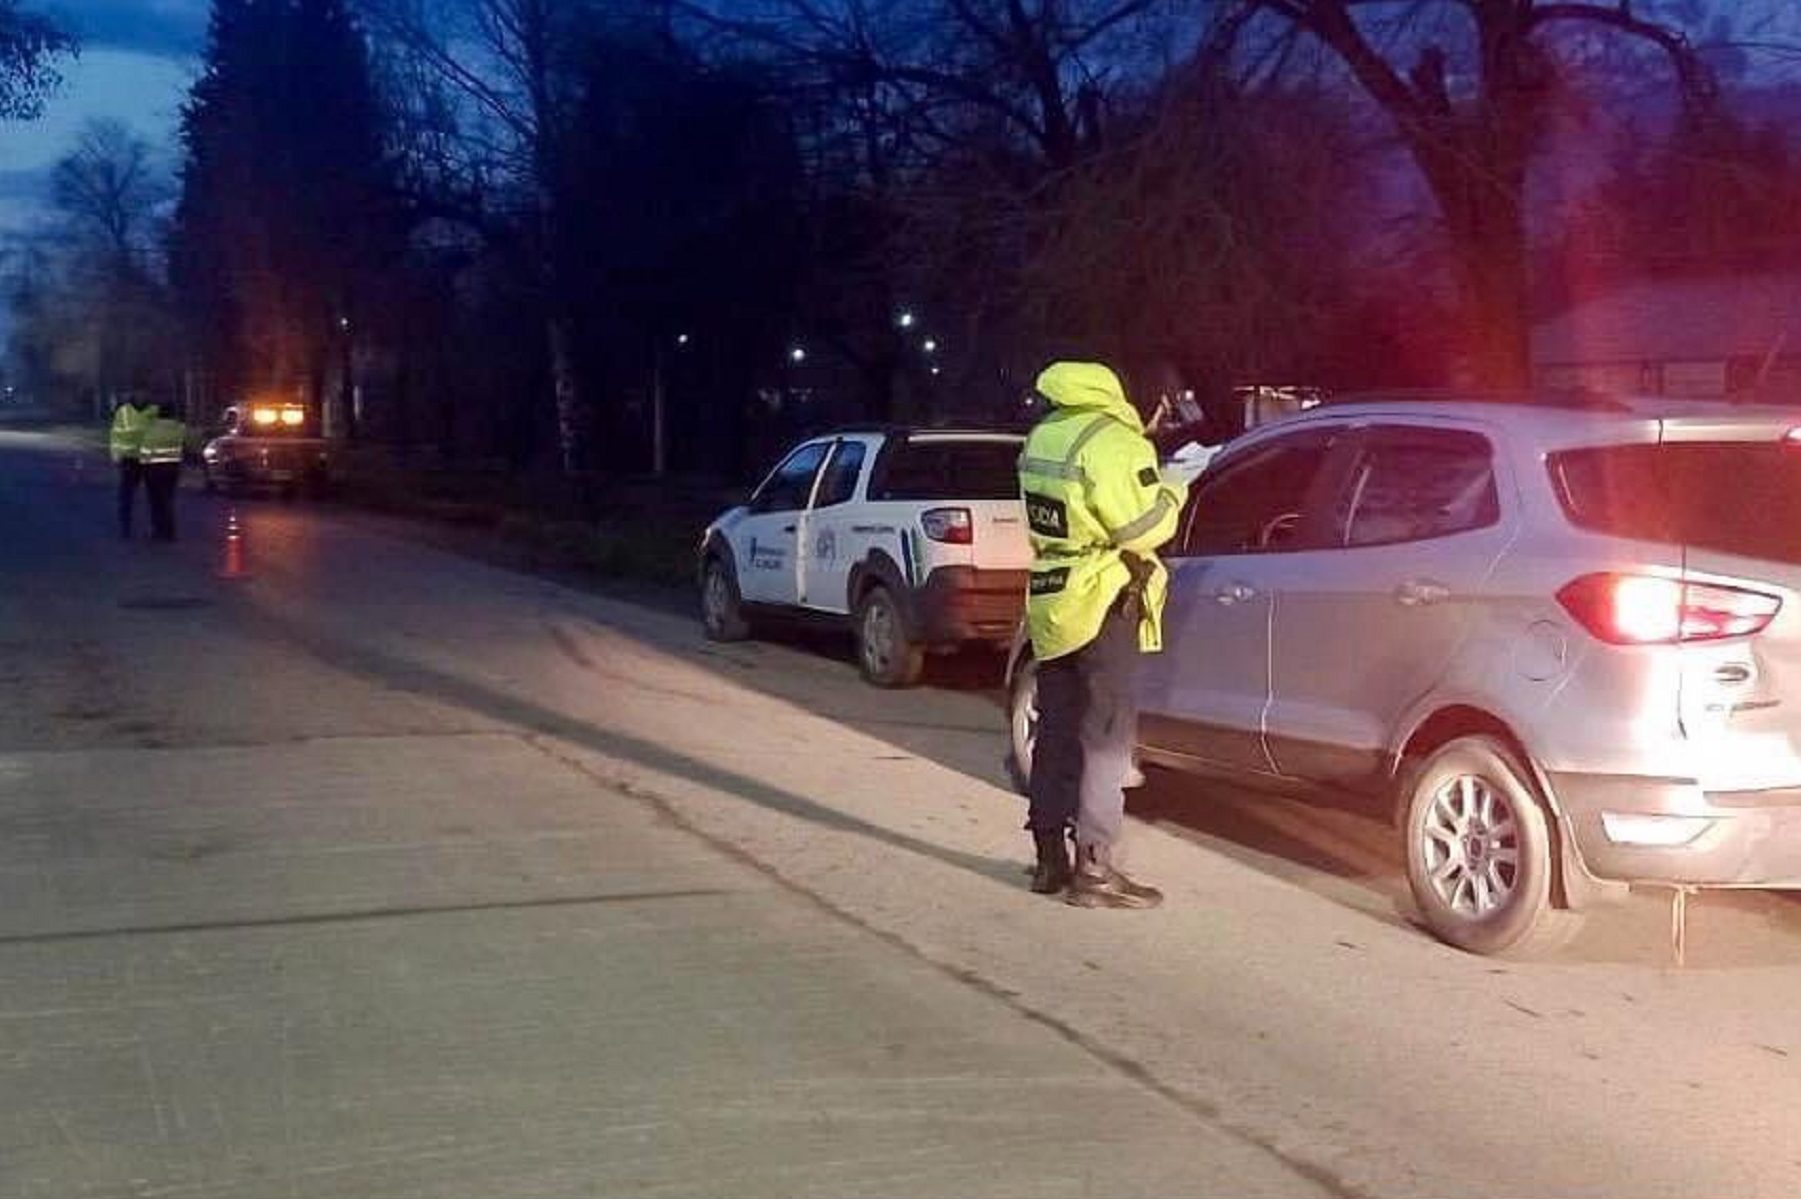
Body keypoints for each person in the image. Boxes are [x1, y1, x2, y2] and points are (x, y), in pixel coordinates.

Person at [1018, 361, 1188, 908]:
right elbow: (1139, 529)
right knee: (1108, 735)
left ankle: (1048, 861)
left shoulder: (1044, 437)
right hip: (1102, 598)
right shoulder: (1115, 443)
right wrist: (1175, 488)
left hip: (1053, 596)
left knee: (1057, 729)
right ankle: (1094, 866)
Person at [137, 401, 187, 542]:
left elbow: (143, 449)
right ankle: (170, 531)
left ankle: (158, 530)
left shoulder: (149, 428)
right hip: (172, 469)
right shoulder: (179, 428)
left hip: (152, 469)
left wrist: (142, 467)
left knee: (155, 502)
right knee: (168, 499)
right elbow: (184, 446)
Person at [109, 396, 153, 539]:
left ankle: (156, 528)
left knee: (155, 497)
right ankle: (125, 527)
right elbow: (116, 435)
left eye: (144, 391)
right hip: (130, 460)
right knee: (126, 496)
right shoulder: (124, 412)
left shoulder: (154, 411)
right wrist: (116, 455)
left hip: (149, 460)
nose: (141, 394)